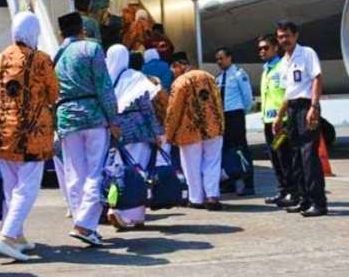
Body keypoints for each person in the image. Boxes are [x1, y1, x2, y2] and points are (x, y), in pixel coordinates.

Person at [0, 11, 59, 261]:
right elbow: (53, 95)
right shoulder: (41, 60)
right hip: (31, 137)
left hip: (3, 135)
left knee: (11, 189)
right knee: (27, 190)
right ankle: (6, 237)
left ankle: (16, 236)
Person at [54, 11, 119, 246]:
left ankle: (83, 223)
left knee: (74, 174)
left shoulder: (57, 55)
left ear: (61, 32)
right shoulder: (91, 49)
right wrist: (113, 119)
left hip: (66, 119)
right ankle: (85, 225)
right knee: (95, 172)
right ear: (82, 29)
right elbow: (104, 87)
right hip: (93, 116)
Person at [273, 21, 328, 217]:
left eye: (287, 35)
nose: (284, 40)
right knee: (295, 157)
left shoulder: (307, 53)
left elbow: (317, 79)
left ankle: (318, 203)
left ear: (295, 35)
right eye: (280, 37)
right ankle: (303, 200)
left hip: (306, 106)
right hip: (292, 109)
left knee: (308, 157)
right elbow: (288, 93)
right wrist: (279, 116)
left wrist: (314, 106)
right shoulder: (283, 62)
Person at [105, 44, 162, 230]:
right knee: (138, 173)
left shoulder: (105, 79)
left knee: (119, 172)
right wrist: (156, 133)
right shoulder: (134, 77)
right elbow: (146, 107)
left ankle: (116, 207)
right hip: (138, 131)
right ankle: (132, 216)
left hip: (116, 133)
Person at [165, 53, 225, 211]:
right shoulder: (209, 77)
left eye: (173, 69)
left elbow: (174, 111)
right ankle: (212, 196)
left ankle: (196, 198)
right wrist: (220, 126)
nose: (173, 72)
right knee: (212, 163)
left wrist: (169, 133)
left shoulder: (180, 82)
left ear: (179, 65)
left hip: (189, 131)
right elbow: (218, 103)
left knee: (191, 166)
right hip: (213, 128)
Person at [257, 35, 299, 207]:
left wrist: (280, 117)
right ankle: (283, 191)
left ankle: (293, 192)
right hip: (269, 122)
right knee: (275, 158)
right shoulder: (267, 69)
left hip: (281, 122)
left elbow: (288, 95)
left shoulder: (282, 67)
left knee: (285, 157)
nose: (262, 51)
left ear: (276, 48)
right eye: (260, 49)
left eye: (266, 48)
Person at [215, 47, 255, 196]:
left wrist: (240, 111)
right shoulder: (218, 78)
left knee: (240, 149)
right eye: (217, 59)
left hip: (235, 115)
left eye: (221, 58)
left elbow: (247, 97)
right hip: (223, 116)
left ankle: (248, 183)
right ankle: (230, 181)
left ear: (229, 58)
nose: (219, 62)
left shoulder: (239, 74)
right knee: (225, 149)